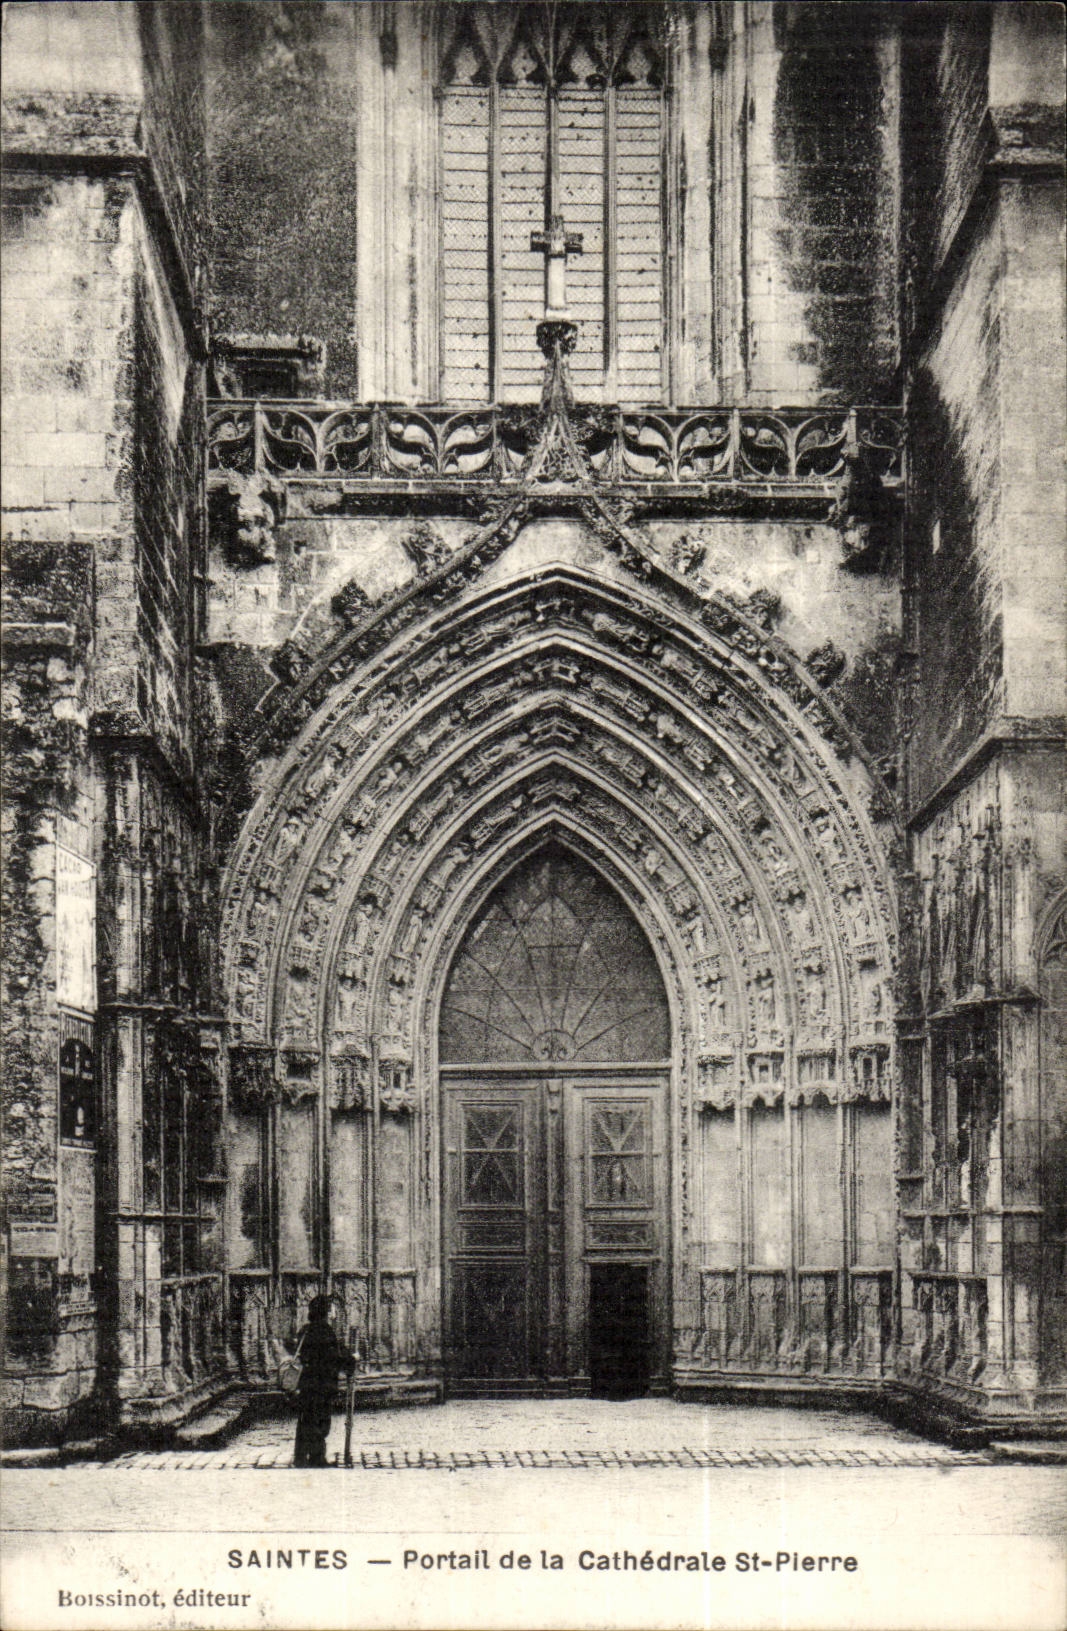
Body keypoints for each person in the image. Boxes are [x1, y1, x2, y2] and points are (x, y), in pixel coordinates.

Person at [292, 1294, 355, 1468]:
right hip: (321, 1384)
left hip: (307, 1383)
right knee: (320, 1420)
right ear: (326, 1311)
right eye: (331, 1308)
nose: (333, 1311)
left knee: (306, 1419)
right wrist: (352, 1359)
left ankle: (300, 1457)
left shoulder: (306, 1329)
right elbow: (333, 1357)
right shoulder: (324, 1330)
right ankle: (316, 1458)